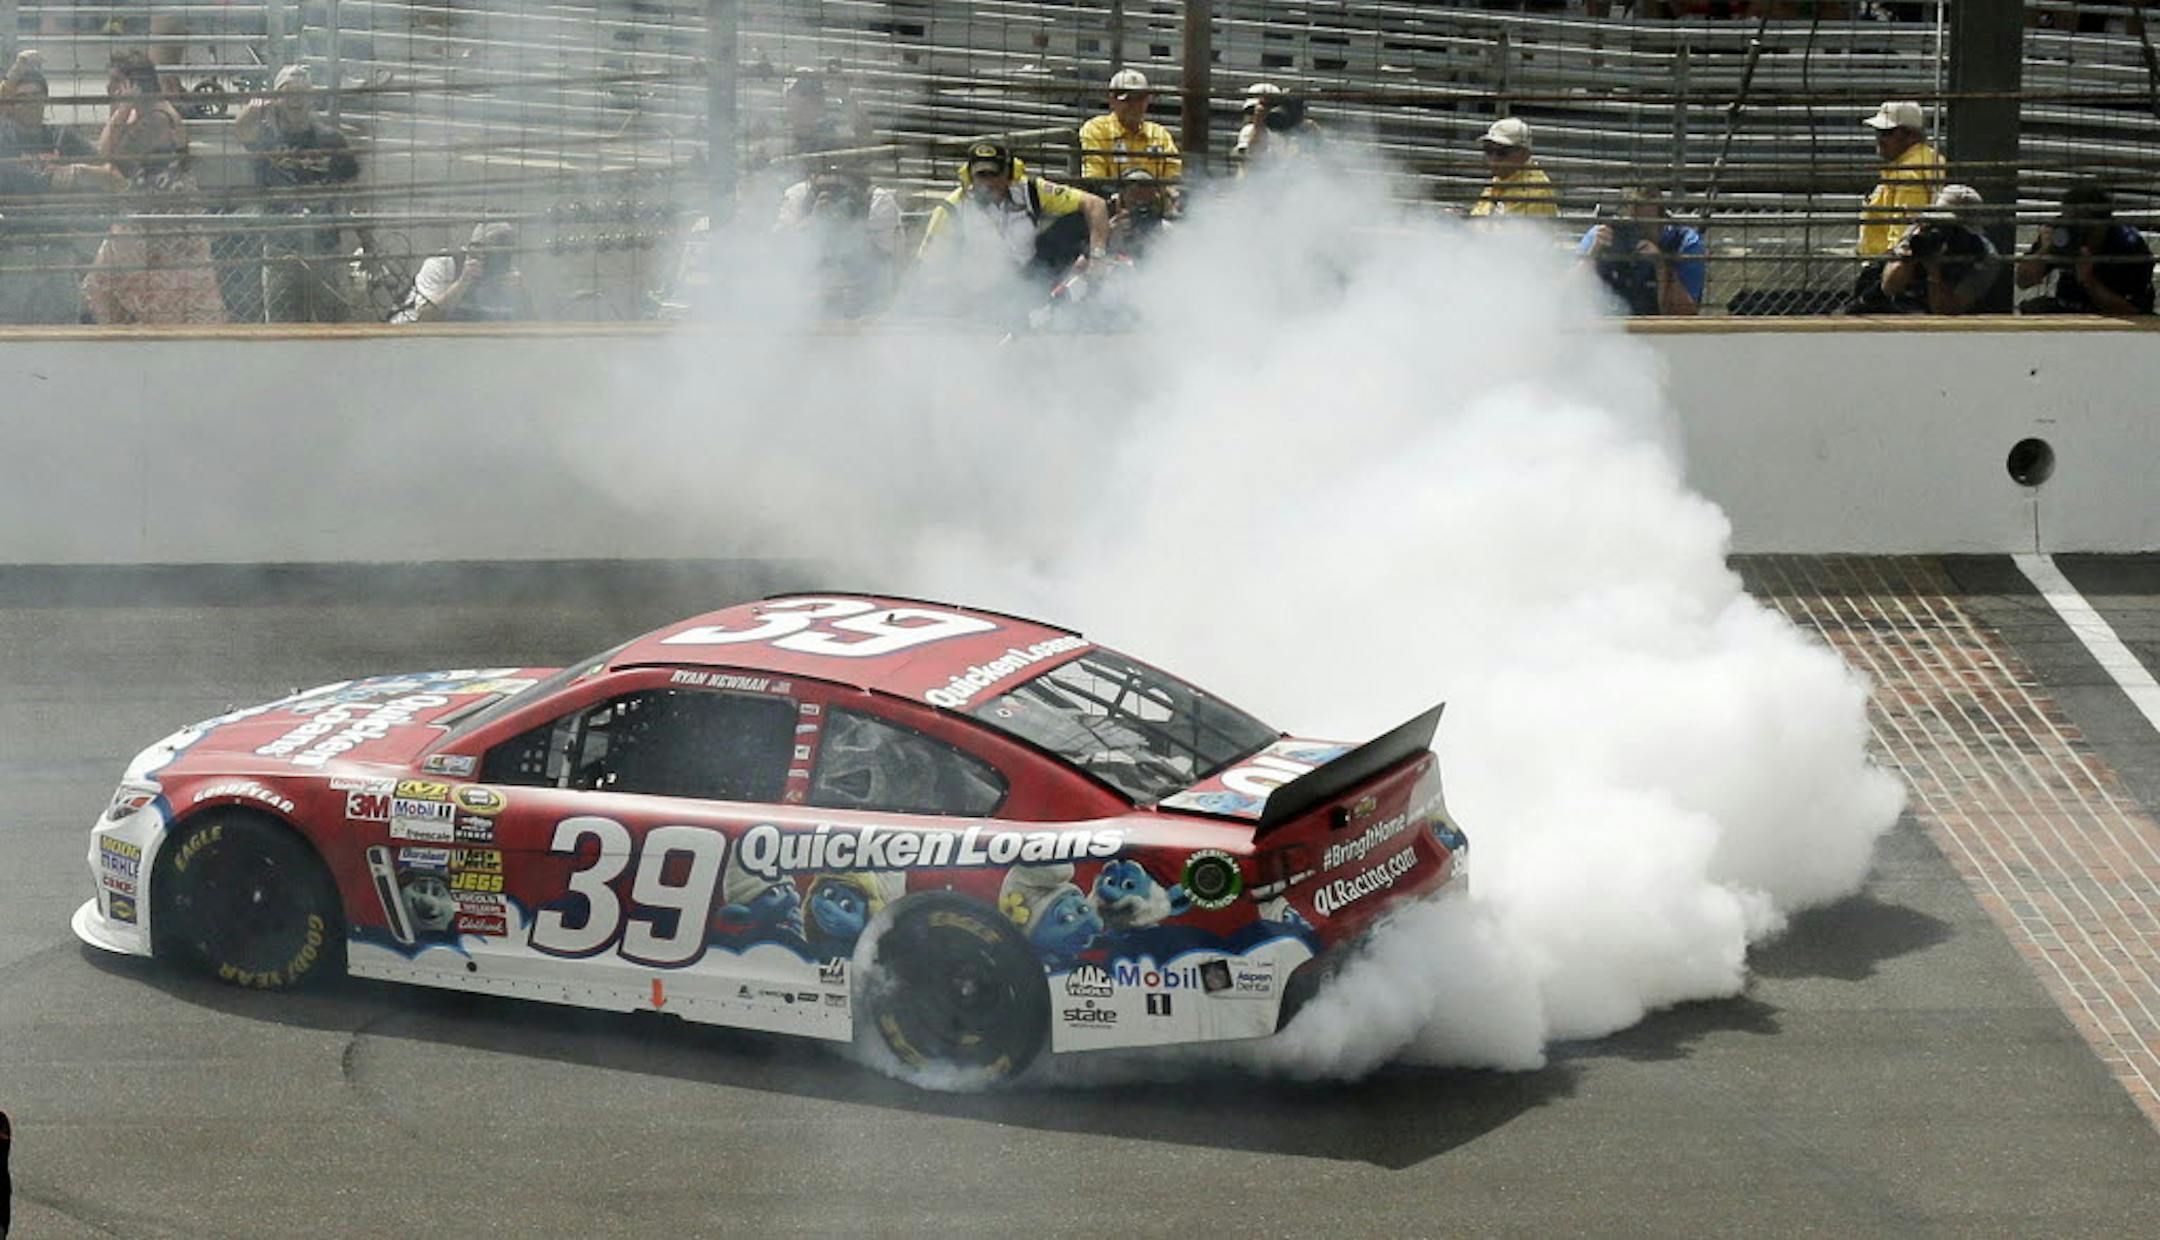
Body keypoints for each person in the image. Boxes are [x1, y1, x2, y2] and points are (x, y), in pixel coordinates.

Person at [81, 49, 226, 324]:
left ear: (135, 84)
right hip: (143, 222)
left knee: (165, 304)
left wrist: (121, 109)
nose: (109, 87)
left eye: (116, 81)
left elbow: (113, 159)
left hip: (164, 226)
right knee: (104, 288)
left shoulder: (159, 118)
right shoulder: (142, 113)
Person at [914, 140, 1110, 312]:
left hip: (1034, 277)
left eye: (993, 175)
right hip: (983, 292)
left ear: (1010, 174)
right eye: (981, 175)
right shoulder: (951, 208)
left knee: (1078, 221)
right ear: (969, 175)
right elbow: (925, 264)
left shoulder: (1031, 189)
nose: (987, 183)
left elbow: (1096, 205)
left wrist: (1097, 256)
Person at [0, 50, 122, 323]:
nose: (30, 106)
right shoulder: (4, 139)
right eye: (22, 100)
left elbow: (112, 176)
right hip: (13, 254)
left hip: (58, 250)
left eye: (36, 99)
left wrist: (80, 171)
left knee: (62, 328)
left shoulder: (61, 137)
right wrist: (17, 70)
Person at [235, 65, 361, 322]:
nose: (296, 100)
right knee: (283, 327)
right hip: (281, 248)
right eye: (289, 93)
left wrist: (365, 239)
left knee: (335, 325)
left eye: (303, 94)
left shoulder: (330, 139)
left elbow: (353, 189)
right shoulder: (265, 137)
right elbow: (241, 129)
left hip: (325, 247)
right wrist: (258, 107)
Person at [773, 163, 903, 317]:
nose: (834, 195)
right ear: (813, 180)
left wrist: (851, 226)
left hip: (861, 293)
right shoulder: (798, 196)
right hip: (806, 293)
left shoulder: (877, 201)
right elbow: (776, 251)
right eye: (825, 187)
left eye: (840, 190)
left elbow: (887, 261)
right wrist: (813, 221)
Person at [2016, 182, 2156, 315]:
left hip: (2112, 319)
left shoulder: (2129, 246)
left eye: (2083, 226)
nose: (2076, 231)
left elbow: (2133, 312)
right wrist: (2044, 252)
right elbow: (2023, 281)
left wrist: (2088, 281)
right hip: (2069, 309)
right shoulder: (2062, 231)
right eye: (2070, 221)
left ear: (2103, 225)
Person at [1576, 185, 1705, 315]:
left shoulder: (1683, 244)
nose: (1637, 235)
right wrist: (1594, 254)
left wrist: (1661, 267)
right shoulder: (1601, 236)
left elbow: (1686, 317)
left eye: (1645, 227)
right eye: (1632, 227)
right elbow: (1565, 298)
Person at [1879, 185, 2006, 315]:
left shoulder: (1985, 255)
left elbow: (1946, 310)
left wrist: (1934, 272)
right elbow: (1889, 287)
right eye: (1940, 223)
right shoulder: (1921, 231)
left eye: (1955, 229)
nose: (1942, 231)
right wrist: (1913, 252)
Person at [392, 222, 535, 323]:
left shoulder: (509, 277)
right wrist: (462, 283)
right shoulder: (444, 264)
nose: (496, 263)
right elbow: (423, 319)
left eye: (504, 254)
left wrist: (522, 295)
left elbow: (533, 332)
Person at [1857, 100, 1942, 259]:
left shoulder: (1908, 173)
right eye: (1878, 131)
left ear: (1911, 135)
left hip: (1891, 267)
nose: (1879, 139)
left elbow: (1903, 234)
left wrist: (1888, 270)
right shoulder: (1925, 160)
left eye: (1887, 132)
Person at [1079, 68, 1181, 183]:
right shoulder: (1097, 129)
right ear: (1112, 100)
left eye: (1139, 99)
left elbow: (1174, 178)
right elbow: (1094, 178)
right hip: (1109, 197)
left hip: (1154, 198)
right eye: (1127, 99)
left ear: (1147, 101)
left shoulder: (1160, 134)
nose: (1134, 105)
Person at [1469, 116, 1558, 219]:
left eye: (1502, 152)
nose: (1494, 158)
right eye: (1488, 150)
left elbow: (1500, 233)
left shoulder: (1533, 191)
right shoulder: (1501, 179)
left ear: (1524, 154)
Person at [1234, 83, 1323, 174]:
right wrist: (1259, 125)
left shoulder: (1298, 133)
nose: (1254, 115)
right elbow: (1252, 159)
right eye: (1251, 111)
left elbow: (1322, 159)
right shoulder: (1249, 132)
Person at [1106, 167, 1171, 260]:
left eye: (1147, 193)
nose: (1141, 200)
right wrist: (1109, 235)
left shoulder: (1165, 229)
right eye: (1135, 192)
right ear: (1122, 195)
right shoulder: (1110, 226)